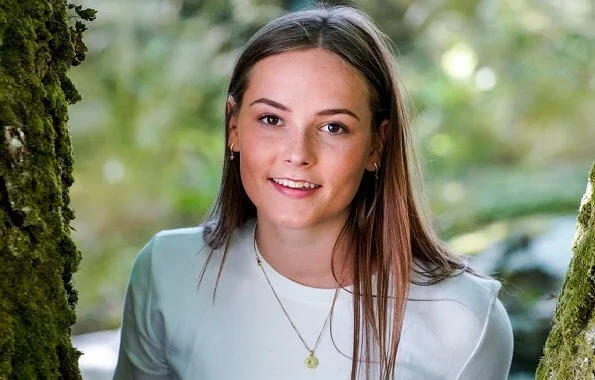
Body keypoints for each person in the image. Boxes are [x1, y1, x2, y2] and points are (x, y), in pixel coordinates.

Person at [113, 5, 513, 380]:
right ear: (233, 127)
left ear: (376, 144)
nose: (297, 154)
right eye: (271, 119)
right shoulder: (168, 273)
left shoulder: (463, 319)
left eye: (333, 127)